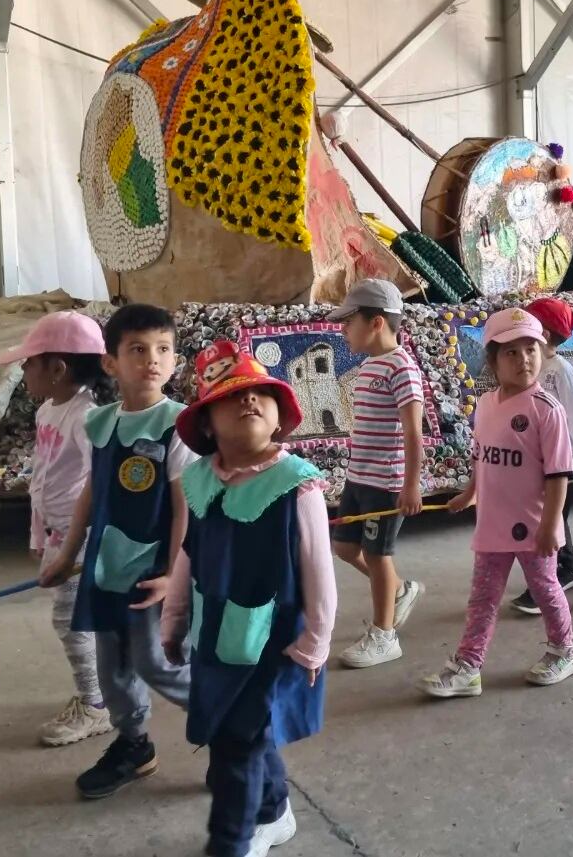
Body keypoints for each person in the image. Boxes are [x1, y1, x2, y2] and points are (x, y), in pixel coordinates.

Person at [161, 347, 335, 857]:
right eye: (233, 397)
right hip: (214, 633)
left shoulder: (297, 486)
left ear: (281, 416)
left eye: (261, 394)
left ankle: (230, 843)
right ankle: (273, 810)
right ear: (208, 425)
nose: (250, 401)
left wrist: (315, 642)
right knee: (235, 731)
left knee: (239, 744)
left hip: (276, 640)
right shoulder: (198, 482)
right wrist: (173, 620)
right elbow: (188, 555)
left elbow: (318, 571)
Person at [40, 303, 196, 800]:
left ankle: (233, 724)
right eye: (137, 350)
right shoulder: (101, 423)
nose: (153, 359)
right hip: (107, 566)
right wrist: (67, 554)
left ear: (174, 360)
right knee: (113, 666)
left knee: (156, 662)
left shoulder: (180, 425)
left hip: (154, 571)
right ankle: (134, 745)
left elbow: (183, 506)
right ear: (111, 362)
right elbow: (92, 489)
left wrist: (174, 575)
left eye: (163, 349)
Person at [421, 308, 573, 698]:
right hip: (492, 523)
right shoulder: (487, 404)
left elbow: (559, 473)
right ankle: (468, 666)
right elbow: (482, 454)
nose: (523, 359)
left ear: (543, 352)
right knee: (483, 598)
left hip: (533, 525)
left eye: (531, 349)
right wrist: (470, 492)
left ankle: (565, 650)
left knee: (545, 589)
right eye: (511, 352)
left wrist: (550, 526)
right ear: (492, 360)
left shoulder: (547, 410)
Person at [0, 311, 111, 748]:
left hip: (79, 539)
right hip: (57, 535)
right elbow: (43, 479)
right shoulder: (49, 410)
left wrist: (71, 550)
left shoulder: (87, 417)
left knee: (71, 621)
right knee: (76, 621)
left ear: (58, 368)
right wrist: (37, 536)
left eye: (29, 362)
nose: (23, 371)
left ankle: (95, 704)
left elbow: (99, 485)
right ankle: (101, 691)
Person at [327, 279, 426, 670]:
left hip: (385, 482)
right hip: (359, 477)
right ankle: (399, 590)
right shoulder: (370, 365)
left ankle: (385, 635)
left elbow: (413, 431)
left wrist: (411, 485)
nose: (343, 329)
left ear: (376, 322)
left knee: (376, 554)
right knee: (346, 548)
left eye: (350, 321)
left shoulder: (402, 367)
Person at [508, 297, 573, 614]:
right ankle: (569, 565)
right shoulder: (527, 367)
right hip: (532, 457)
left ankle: (553, 577)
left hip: (559, 459)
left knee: (548, 518)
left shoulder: (560, 371)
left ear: (542, 333)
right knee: (548, 517)